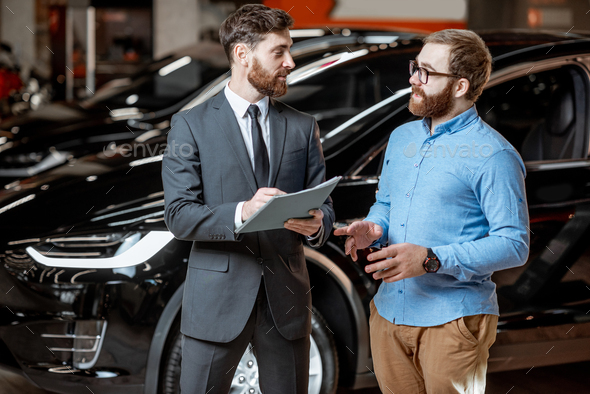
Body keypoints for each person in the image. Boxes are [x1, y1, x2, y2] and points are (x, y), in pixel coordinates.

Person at [334, 29, 530, 393]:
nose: (412, 79)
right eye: (414, 67)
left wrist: (431, 259)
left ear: (459, 86)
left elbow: (514, 244)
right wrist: (374, 226)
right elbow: (387, 203)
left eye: (426, 71)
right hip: (389, 313)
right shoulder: (402, 137)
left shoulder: (494, 155)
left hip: (453, 320)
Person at [162, 4, 334, 394]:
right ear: (242, 54)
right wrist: (243, 211)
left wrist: (318, 222)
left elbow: (324, 206)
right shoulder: (190, 125)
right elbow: (179, 215)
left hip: (286, 303)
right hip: (216, 305)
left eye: (290, 50)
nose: (290, 62)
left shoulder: (303, 127)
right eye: (279, 52)